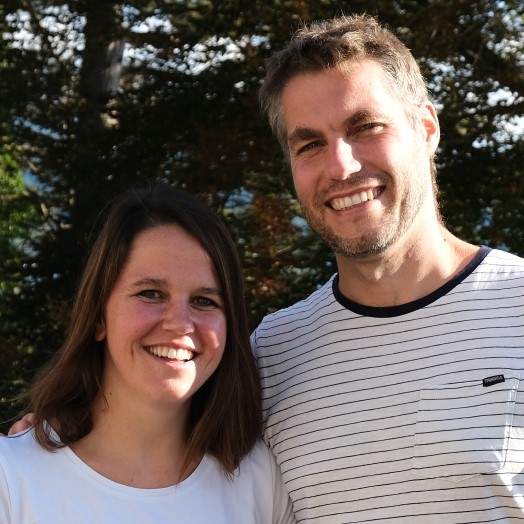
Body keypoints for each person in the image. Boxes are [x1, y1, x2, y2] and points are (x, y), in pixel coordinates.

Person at [252, 13, 524, 523]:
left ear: (426, 128)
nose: (340, 165)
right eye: (309, 144)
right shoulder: (271, 355)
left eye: (366, 127)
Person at [0, 184, 296, 524]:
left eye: (204, 301)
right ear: (98, 317)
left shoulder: (261, 484)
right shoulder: (11, 478)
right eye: (151, 293)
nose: (180, 324)